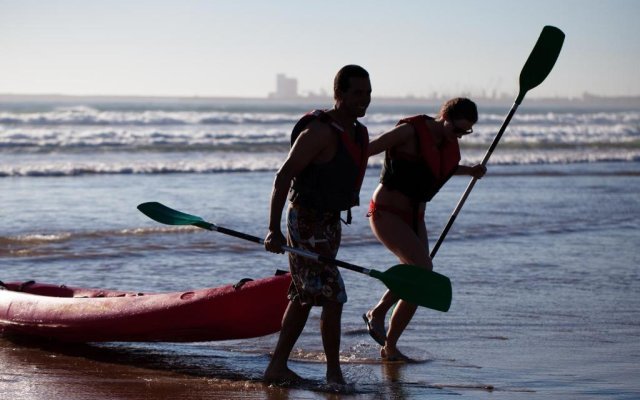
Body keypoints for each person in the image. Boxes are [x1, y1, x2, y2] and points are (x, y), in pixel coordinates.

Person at [263, 65, 371, 385]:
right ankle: (334, 375)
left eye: (367, 93)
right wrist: (273, 228)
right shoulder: (320, 132)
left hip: (330, 223)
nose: (363, 100)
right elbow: (283, 178)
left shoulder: (357, 133)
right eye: (356, 94)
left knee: (302, 296)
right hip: (306, 222)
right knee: (333, 296)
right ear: (338, 95)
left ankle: (277, 368)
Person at [362, 97, 486, 361]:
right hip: (386, 212)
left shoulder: (447, 142)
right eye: (457, 130)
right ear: (444, 117)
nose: (460, 136)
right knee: (422, 270)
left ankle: (390, 346)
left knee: (420, 281)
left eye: (466, 132)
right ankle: (378, 312)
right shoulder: (410, 131)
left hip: (416, 218)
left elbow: (440, 168)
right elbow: (367, 150)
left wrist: (471, 171)